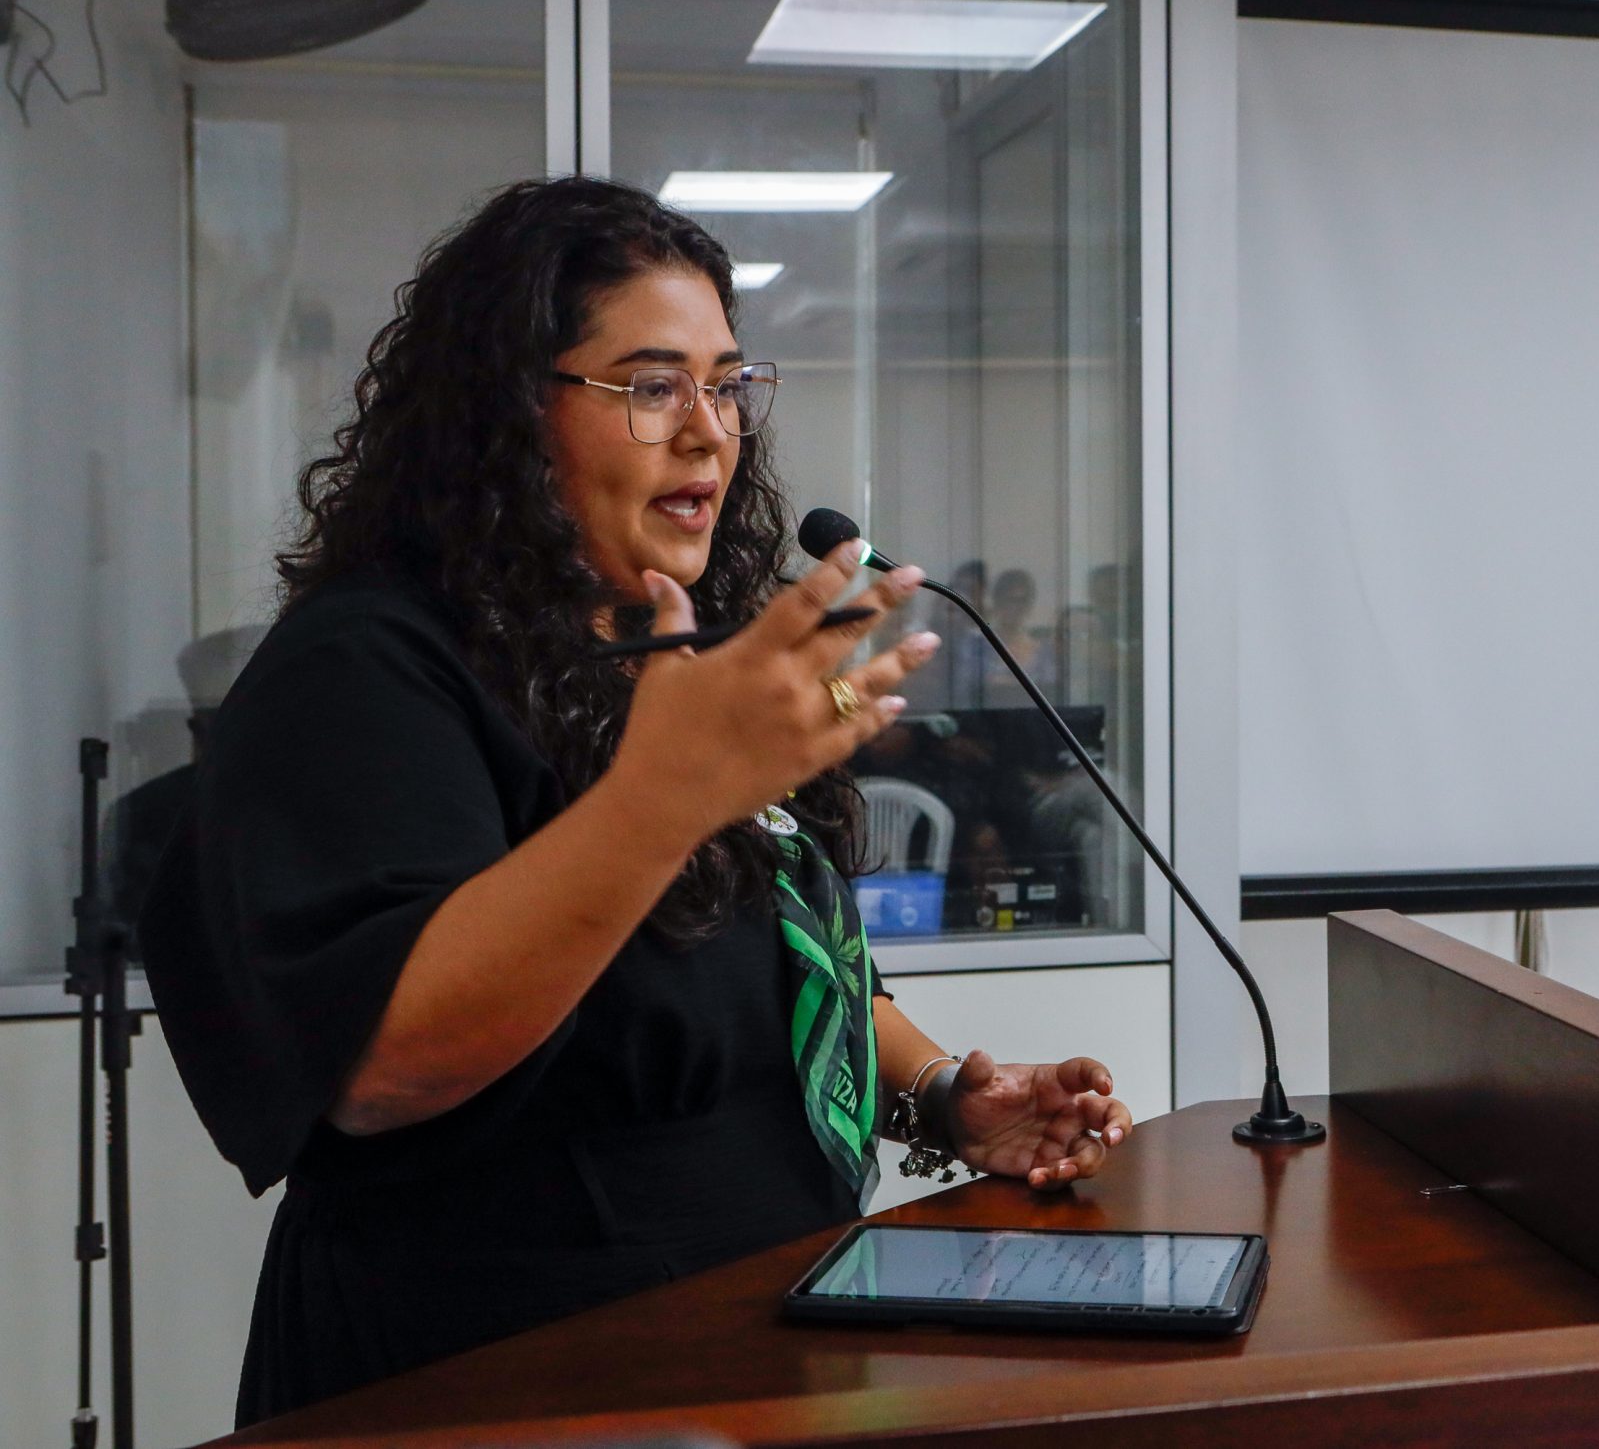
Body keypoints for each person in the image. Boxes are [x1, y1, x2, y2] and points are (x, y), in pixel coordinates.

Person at [141, 177, 1133, 1424]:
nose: (709, 432)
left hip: (757, 1349)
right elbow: (383, 1062)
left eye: (726, 384)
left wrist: (942, 1093)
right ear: (509, 410)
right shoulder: (367, 668)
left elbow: (759, 970)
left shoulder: (673, 647)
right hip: (499, 1382)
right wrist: (659, 802)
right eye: (653, 387)